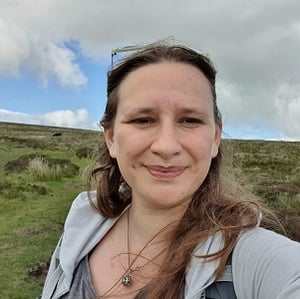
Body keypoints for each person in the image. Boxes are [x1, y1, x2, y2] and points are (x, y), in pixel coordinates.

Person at [41, 42, 300, 299]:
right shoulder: (82, 225)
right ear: (111, 138)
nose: (166, 146)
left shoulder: (253, 262)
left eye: (190, 120)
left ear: (215, 139)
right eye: (143, 120)